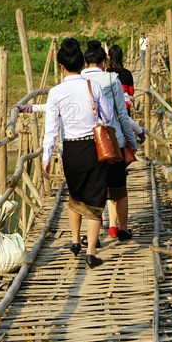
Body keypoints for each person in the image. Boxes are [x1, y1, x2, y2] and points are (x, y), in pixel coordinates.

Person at [41, 38, 113, 269]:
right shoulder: (94, 87)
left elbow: (51, 129)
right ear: (82, 63)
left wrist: (46, 157)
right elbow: (108, 118)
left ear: (61, 66)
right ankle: (91, 253)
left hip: (71, 150)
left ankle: (74, 241)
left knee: (75, 196)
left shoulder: (55, 92)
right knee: (95, 200)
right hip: (94, 147)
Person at [81, 40, 138, 242]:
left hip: (87, 142)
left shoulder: (78, 80)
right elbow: (122, 115)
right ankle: (122, 229)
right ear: (104, 61)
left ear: (86, 62)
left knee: (92, 191)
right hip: (113, 142)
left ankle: (93, 236)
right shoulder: (112, 79)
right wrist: (133, 143)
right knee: (119, 190)